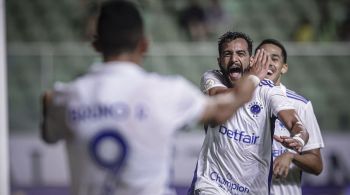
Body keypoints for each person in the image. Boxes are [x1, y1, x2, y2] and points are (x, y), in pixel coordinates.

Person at [40, 1, 270, 195]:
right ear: (144, 45)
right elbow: (223, 109)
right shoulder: (166, 91)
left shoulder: (68, 96)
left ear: (96, 44)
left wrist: (49, 103)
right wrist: (253, 77)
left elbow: (48, 133)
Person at [189, 31, 309, 195]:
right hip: (212, 184)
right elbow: (218, 98)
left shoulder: (268, 91)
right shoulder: (212, 78)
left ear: (251, 60)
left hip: (253, 189)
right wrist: (253, 77)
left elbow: (296, 123)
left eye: (241, 54)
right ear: (219, 61)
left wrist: (298, 138)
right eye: (227, 54)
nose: (234, 59)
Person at [254, 39, 325, 195]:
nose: (268, 62)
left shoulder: (300, 105)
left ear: (284, 68)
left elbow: (317, 165)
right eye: (263, 57)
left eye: (274, 58)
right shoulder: (243, 100)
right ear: (253, 61)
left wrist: (291, 156)